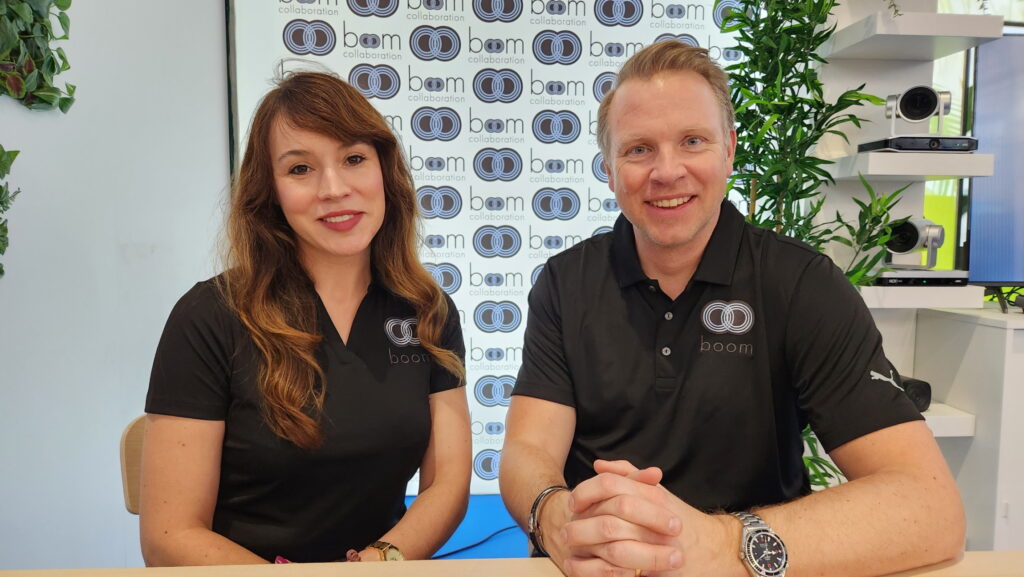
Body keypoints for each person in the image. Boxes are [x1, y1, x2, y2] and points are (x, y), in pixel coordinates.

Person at [499, 41, 964, 577]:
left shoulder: (801, 284)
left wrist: (718, 543)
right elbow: (528, 449)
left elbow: (930, 508)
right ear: (609, 169)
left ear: (729, 151)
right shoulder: (565, 281)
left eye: (692, 141)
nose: (667, 171)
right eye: (639, 149)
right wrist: (553, 516)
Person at [140, 71, 471, 565]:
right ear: (269, 191)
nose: (334, 189)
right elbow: (169, 534)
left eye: (353, 159)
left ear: (385, 171)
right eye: (300, 169)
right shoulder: (208, 317)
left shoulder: (427, 310)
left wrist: (382, 561)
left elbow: (447, 484)